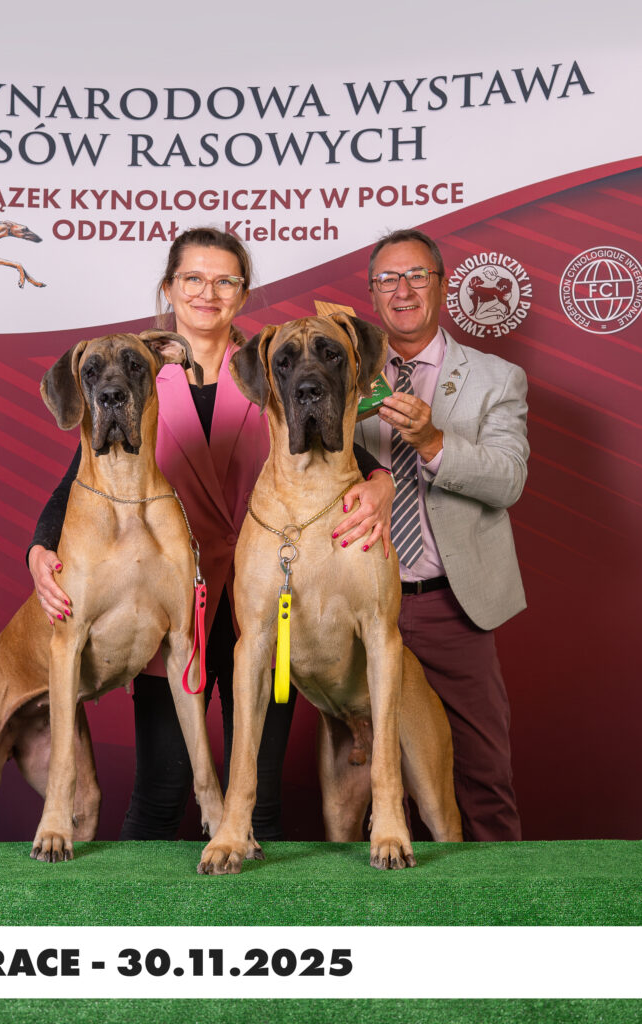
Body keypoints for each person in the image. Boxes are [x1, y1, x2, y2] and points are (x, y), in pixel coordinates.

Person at [28, 226, 396, 841]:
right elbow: (81, 472)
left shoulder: (267, 364)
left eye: (225, 280)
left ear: (242, 294)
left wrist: (382, 482)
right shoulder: (139, 369)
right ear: (169, 288)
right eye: (193, 278)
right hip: (172, 599)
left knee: (263, 795)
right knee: (162, 789)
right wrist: (40, 546)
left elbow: (333, 437)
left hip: (264, 595)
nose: (208, 292)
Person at [355, 227, 528, 841]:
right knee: (366, 770)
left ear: (442, 284)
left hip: (450, 605)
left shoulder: (495, 378)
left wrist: (432, 442)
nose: (401, 291)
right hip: (360, 601)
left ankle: (493, 893)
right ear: (371, 293)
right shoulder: (344, 372)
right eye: (387, 279)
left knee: (482, 774)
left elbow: (508, 480)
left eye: (416, 276)